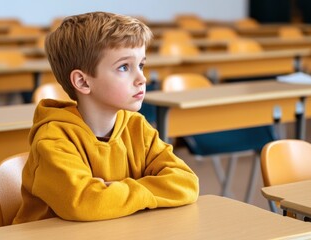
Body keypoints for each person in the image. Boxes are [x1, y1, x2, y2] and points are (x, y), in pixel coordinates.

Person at [13, 11, 199, 223]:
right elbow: (85, 203)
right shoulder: (53, 139)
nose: (142, 78)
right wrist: (149, 189)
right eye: (123, 67)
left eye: (141, 65)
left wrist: (114, 192)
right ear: (83, 82)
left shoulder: (136, 127)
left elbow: (187, 182)